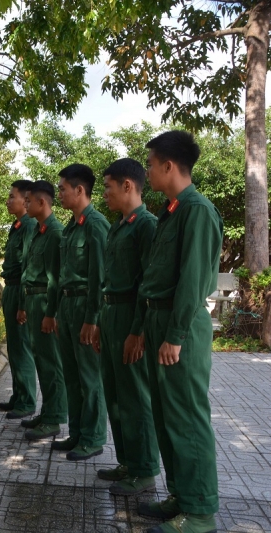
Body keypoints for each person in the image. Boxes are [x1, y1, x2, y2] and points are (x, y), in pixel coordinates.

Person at [138, 131, 221, 533]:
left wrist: (175, 335)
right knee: (166, 413)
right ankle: (181, 496)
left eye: (151, 164)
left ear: (169, 166)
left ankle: (201, 512)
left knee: (187, 417)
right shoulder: (172, 211)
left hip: (179, 325)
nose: (148, 171)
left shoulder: (197, 211)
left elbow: (192, 280)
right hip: (160, 320)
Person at [92, 158, 160, 496]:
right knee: (115, 394)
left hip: (131, 316)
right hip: (111, 315)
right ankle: (128, 462)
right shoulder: (119, 225)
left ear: (127, 186)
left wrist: (138, 330)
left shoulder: (146, 225)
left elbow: (148, 284)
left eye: (108, 186)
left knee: (135, 396)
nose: (104, 193)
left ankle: (145, 470)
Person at [55, 163, 109, 461]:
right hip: (67, 305)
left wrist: (93, 318)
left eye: (63, 189)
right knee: (72, 375)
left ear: (80, 190)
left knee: (90, 376)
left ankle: (93, 437)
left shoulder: (96, 225)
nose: (59, 193)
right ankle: (76, 433)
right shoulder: (70, 226)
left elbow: (100, 277)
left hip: (84, 306)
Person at [16, 180, 68, 441]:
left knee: (51, 363)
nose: (25, 204)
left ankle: (55, 417)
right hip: (33, 300)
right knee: (41, 360)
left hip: (45, 303)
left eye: (29, 200)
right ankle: (47, 411)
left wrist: (51, 313)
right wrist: (24, 305)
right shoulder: (38, 231)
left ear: (41, 202)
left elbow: (55, 279)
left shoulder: (56, 233)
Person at [0, 180, 38, 419]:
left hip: (20, 290)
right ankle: (18, 394)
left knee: (22, 348)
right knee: (13, 347)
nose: (8, 200)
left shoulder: (29, 226)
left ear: (25, 199)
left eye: (12, 196)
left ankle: (26, 401)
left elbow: (27, 267)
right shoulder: (17, 226)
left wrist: (23, 304)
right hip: (10, 288)